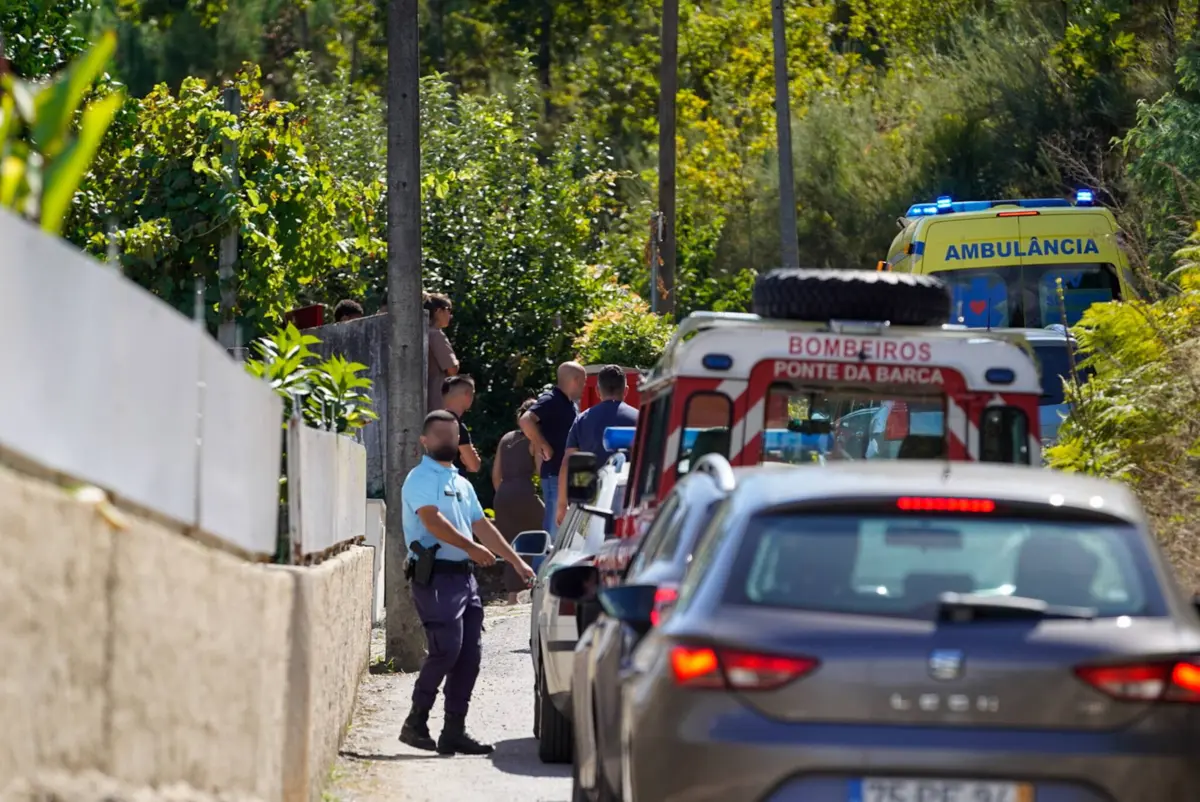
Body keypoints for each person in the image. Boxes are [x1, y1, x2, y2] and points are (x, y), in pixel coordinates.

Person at [398, 410, 536, 755]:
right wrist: (472, 548)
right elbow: (432, 521)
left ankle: (454, 730)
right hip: (436, 576)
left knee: (469, 656)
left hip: (464, 578)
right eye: (440, 435)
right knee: (446, 649)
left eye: (453, 435)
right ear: (425, 441)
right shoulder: (420, 478)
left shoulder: (461, 482)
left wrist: (517, 561)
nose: (448, 441)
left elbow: (482, 525)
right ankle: (416, 721)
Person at [555, 365, 637, 525]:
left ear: (598, 391)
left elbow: (568, 462)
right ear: (626, 390)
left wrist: (562, 505)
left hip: (592, 505)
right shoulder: (640, 419)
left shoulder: (582, 420)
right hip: (629, 505)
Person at [520, 362, 585, 537]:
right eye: (583, 381)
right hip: (555, 475)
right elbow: (526, 420)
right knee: (553, 533)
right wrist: (542, 444)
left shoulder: (569, 404)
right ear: (576, 380)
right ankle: (542, 565)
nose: (585, 387)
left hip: (562, 476)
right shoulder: (551, 399)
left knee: (560, 532)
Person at [493, 398, 545, 603]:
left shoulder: (506, 438)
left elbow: (496, 475)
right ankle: (532, 586)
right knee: (538, 538)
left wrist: (505, 495)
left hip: (503, 496)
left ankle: (512, 597)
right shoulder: (534, 440)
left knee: (509, 546)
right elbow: (541, 473)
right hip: (525, 494)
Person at [425, 293, 459, 412]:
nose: (451, 315)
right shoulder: (436, 334)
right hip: (437, 400)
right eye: (448, 310)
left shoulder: (421, 333)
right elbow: (452, 369)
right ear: (438, 311)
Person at [441, 374, 482, 473]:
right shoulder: (457, 426)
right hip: (452, 484)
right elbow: (474, 466)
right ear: (468, 394)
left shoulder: (432, 423)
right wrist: (474, 459)